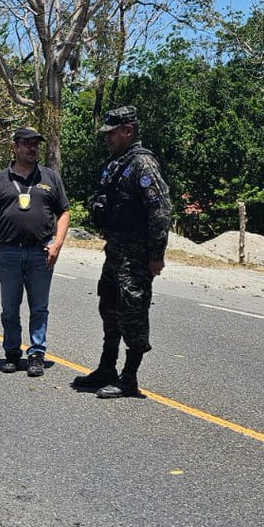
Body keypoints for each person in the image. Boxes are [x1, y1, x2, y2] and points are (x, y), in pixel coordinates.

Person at [72, 106, 171, 400]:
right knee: (110, 309)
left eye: (112, 133)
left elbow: (161, 211)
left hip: (135, 257)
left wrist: (156, 255)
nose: (107, 138)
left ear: (128, 131)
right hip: (115, 252)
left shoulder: (143, 164)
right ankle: (107, 368)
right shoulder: (118, 163)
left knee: (133, 314)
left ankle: (129, 378)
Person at [0, 126, 70, 377]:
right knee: (10, 308)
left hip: (41, 252)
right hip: (8, 253)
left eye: (36, 144)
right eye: (27, 143)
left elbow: (64, 212)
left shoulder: (50, 177)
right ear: (15, 146)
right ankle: (11, 352)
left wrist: (57, 244)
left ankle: (37, 354)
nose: (32, 148)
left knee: (39, 307)